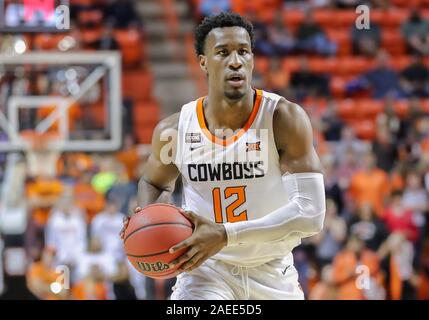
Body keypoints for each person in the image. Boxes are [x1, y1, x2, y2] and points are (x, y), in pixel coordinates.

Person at [120, 12, 326, 300]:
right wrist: (148, 220)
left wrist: (226, 234)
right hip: (205, 270)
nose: (235, 61)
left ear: (253, 59)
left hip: (271, 270)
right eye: (223, 52)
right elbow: (155, 182)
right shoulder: (174, 130)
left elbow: (311, 215)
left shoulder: (283, 118)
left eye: (243, 51)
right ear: (203, 62)